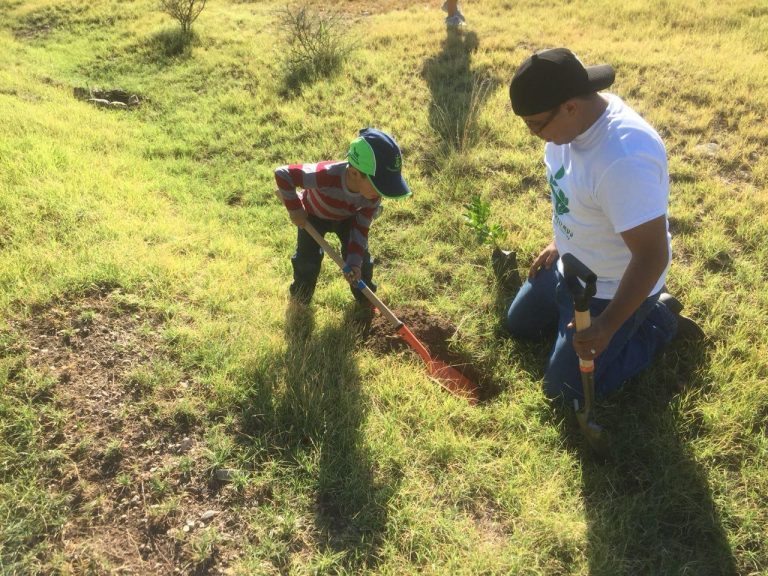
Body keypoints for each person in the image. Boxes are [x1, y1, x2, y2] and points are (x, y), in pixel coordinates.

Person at [504, 47, 703, 403]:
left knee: (562, 393)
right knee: (518, 325)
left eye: (536, 124)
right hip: (570, 266)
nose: (533, 133)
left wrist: (608, 325)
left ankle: (657, 321)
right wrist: (558, 242)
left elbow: (653, 256)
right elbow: (573, 192)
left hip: (611, 287)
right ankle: (605, 325)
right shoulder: (569, 126)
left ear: (570, 106)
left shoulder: (622, 159)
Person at [275, 128, 411, 307]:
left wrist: (353, 263)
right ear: (355, 173)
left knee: (361, 263)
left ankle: (366, 301)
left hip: (348, 219)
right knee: (306, 261)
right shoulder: (325, 174)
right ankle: (301, 299)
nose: (381, 193)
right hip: (313, 215)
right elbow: (283, 174)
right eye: (378, 186)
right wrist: (295, 210)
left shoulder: (372, 197)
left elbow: (361, 228)